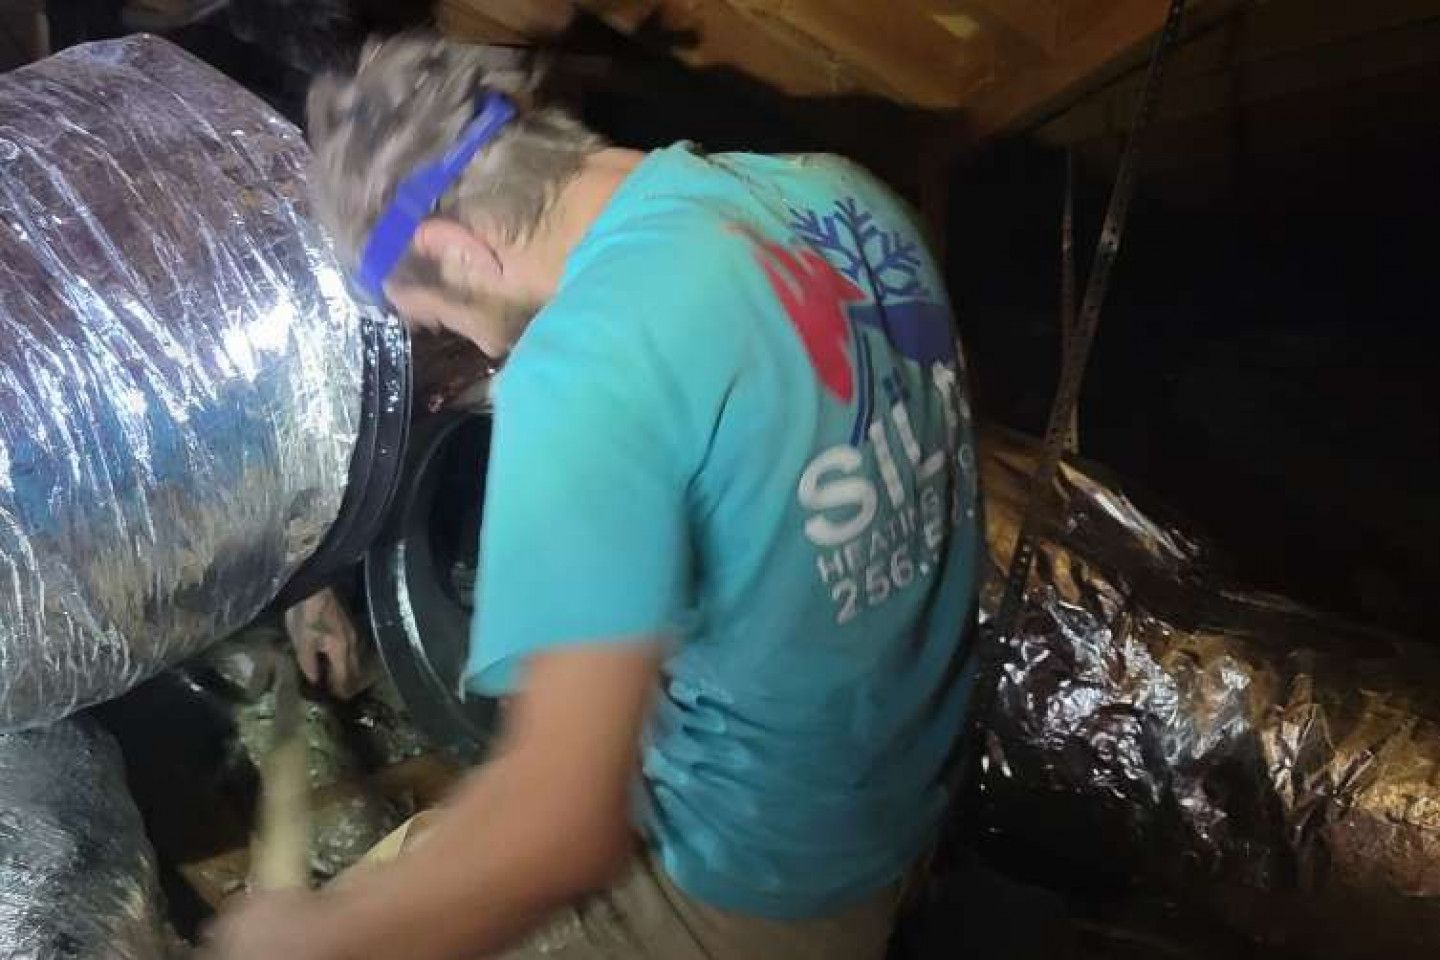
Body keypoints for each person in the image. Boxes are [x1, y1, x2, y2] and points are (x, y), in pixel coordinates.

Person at [206, 34, 982, 960]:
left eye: (438, 317)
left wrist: (308, 942)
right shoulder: (838, 191)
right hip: (899, 810)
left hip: (742, 887)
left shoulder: (580, 369)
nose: (474, 348)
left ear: (453, 244)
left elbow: (561, 828)